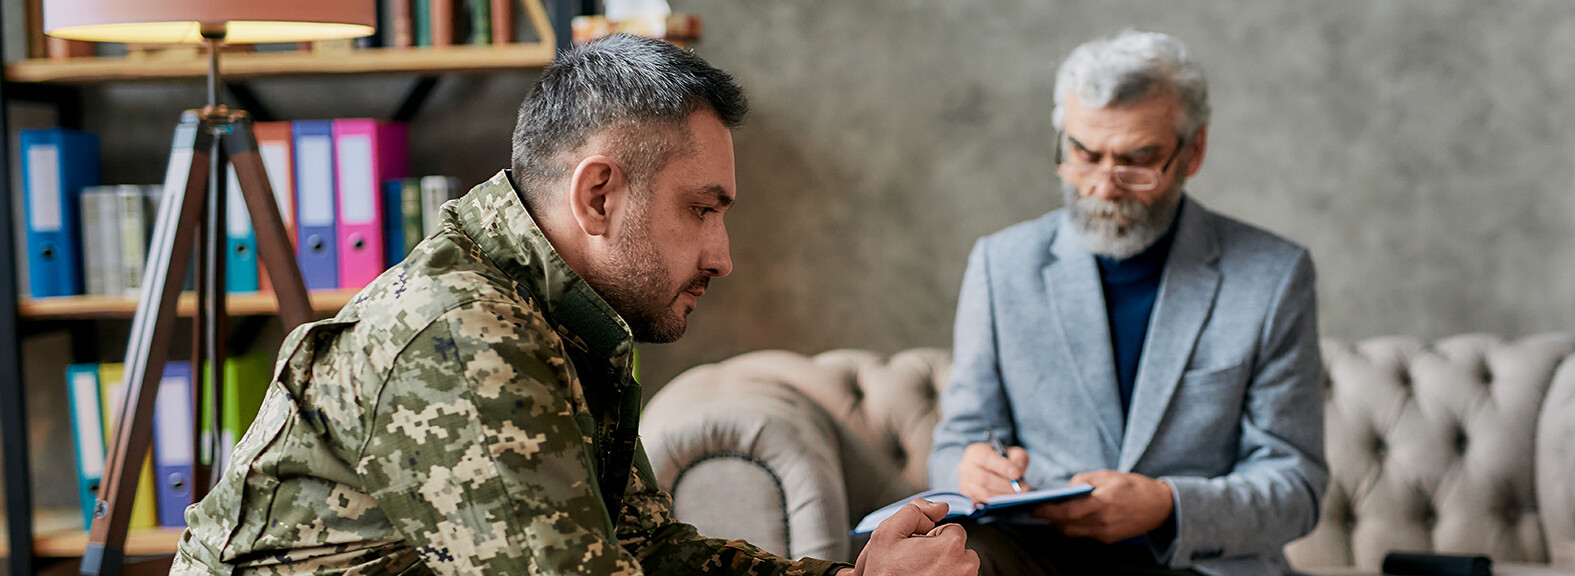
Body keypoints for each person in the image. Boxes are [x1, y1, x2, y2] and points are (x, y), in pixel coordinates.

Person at [171, 34, 978, 576]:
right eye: (702, 209)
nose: (723, 255)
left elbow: (644, 549)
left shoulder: (557, 315)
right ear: (598, 194)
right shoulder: (459, 337)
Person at [926, 30, 1327, 576]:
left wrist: (1166, 505)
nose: (1103, 188)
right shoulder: (1002, 265)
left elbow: (1295, 486)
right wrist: (969, 470)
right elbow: (956, 444)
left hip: (1202, 564)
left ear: (1194, 151)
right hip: (1036, 557)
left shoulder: (1273, 276)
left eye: (1137, 161)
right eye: (1084, 156)